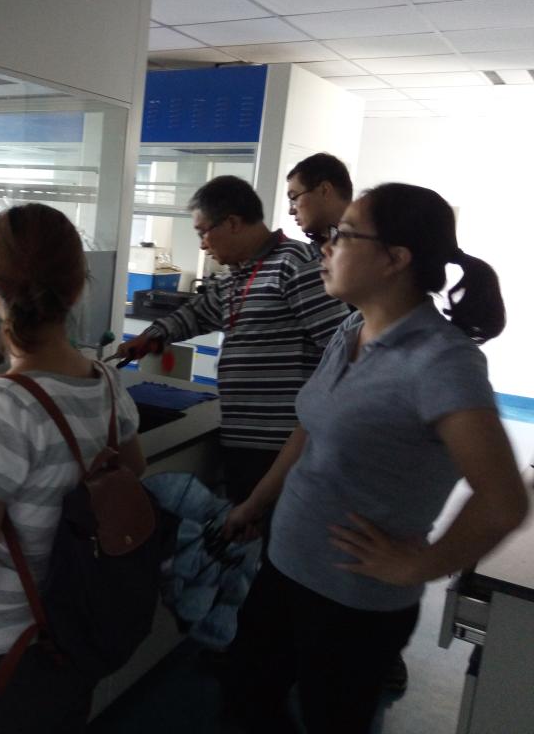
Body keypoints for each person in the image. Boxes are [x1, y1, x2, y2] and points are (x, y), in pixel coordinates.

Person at [224, 182, 529, 734]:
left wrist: (420, 566)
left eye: (343, 235)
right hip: (285, 567)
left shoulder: (441, 361)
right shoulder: (352, 328)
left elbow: (504, 499)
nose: (326, 247)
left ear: (395, 258)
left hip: (351, 602)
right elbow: (310, 431)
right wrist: (256, 503)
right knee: (246, 700)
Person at [0, 203, 144, 733]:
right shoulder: (106, 383)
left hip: (2, 659)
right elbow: (133, 476)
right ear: (78, 288)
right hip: (74, 637)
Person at [118, 175, 348, 506]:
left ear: (232, 223)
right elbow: (197, 314)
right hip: (244, 437)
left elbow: (339, 348)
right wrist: (152, 336)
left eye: (203, 232)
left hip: (282, 445)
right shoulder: (237, 275)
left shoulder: (295, 265)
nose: (202, 244)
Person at [286, 152, 353, 252]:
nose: (291, 211)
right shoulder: (311, 253)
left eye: (294, 198)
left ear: (324, 190)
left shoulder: (369, 245)